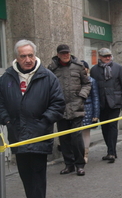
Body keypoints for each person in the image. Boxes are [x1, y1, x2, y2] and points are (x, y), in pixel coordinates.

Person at [0, 39, 65, 198]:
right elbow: (1, 103)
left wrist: (44, 121)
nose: (27, 59)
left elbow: (58, 104)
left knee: (37, 170)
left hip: (40, 132)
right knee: (24, 170)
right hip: (17, 133)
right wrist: (6, 119)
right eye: (23, 56)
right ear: (17, 57)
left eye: (30, 55)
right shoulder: (7, 78)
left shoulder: (47, 76)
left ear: (35, 55)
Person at [48, 44, 91, 176]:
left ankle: (80, 164)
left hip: (76, 106)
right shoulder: (52, 69)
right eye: (63, 53)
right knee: (64, 138)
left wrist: (82, 96)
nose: (66, 55)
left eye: (67, 53)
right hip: (60, 109)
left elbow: (87, 83)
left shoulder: (78, 66)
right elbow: (48, 86)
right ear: (58, 54)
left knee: (76, 137)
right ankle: (69, 164)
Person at [90, 48, 122, 163]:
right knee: (105, 128)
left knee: (112, 127)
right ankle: (110, 150)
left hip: (115, 103)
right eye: (105, 56)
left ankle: (111, 152)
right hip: (102, 104)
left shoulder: (118, 68)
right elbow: (93, 89)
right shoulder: (94, 70)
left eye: (109, 56)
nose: (108, 58)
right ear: (99, 57)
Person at [81, 60, 100, 163]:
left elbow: (95, 98)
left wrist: (96, 114)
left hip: (88, 109)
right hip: (77, 110)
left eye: (84, 68)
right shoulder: (75, 80)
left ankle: (85, 154)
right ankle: (78, 153)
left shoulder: (92, 81)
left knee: (86, 133)